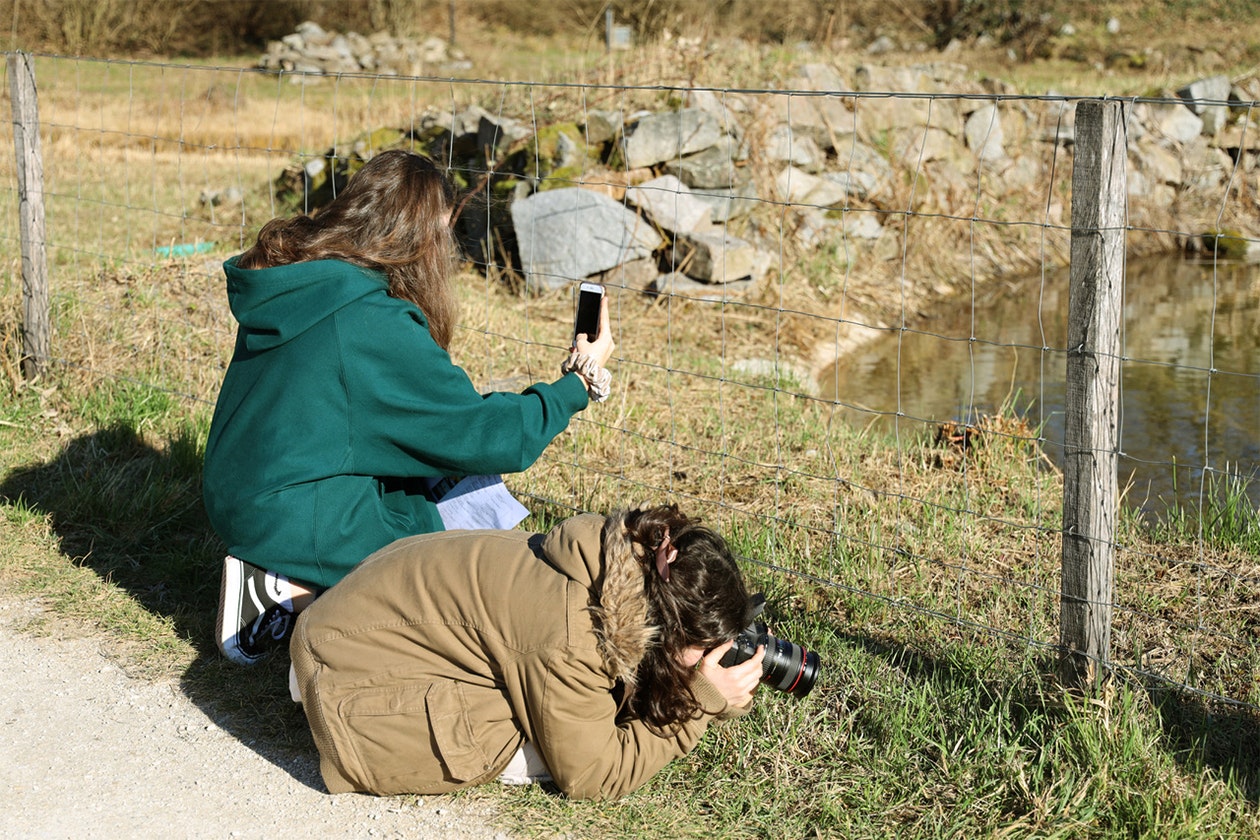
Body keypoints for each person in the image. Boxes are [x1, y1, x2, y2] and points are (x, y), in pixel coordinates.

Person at [203, 150, 615, 666]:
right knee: (447, 566)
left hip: (238, 485)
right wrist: (578, 382)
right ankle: (284, 592)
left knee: (440, 483)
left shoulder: (307, 281)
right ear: (423, 231)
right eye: (445, 231)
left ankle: (298, 577)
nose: (448, 249)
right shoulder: (370, 320)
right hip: (284, 513)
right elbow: (489, 437)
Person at [289, 503, 766, 801]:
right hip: (346, 689)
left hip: (347, 628)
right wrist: (698, 702)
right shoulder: (569, 634)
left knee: (553, 702)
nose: (711, 657)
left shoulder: (600, 562)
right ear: (664, 624)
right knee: (521, 735)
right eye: (700, 647)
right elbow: (592, 775)